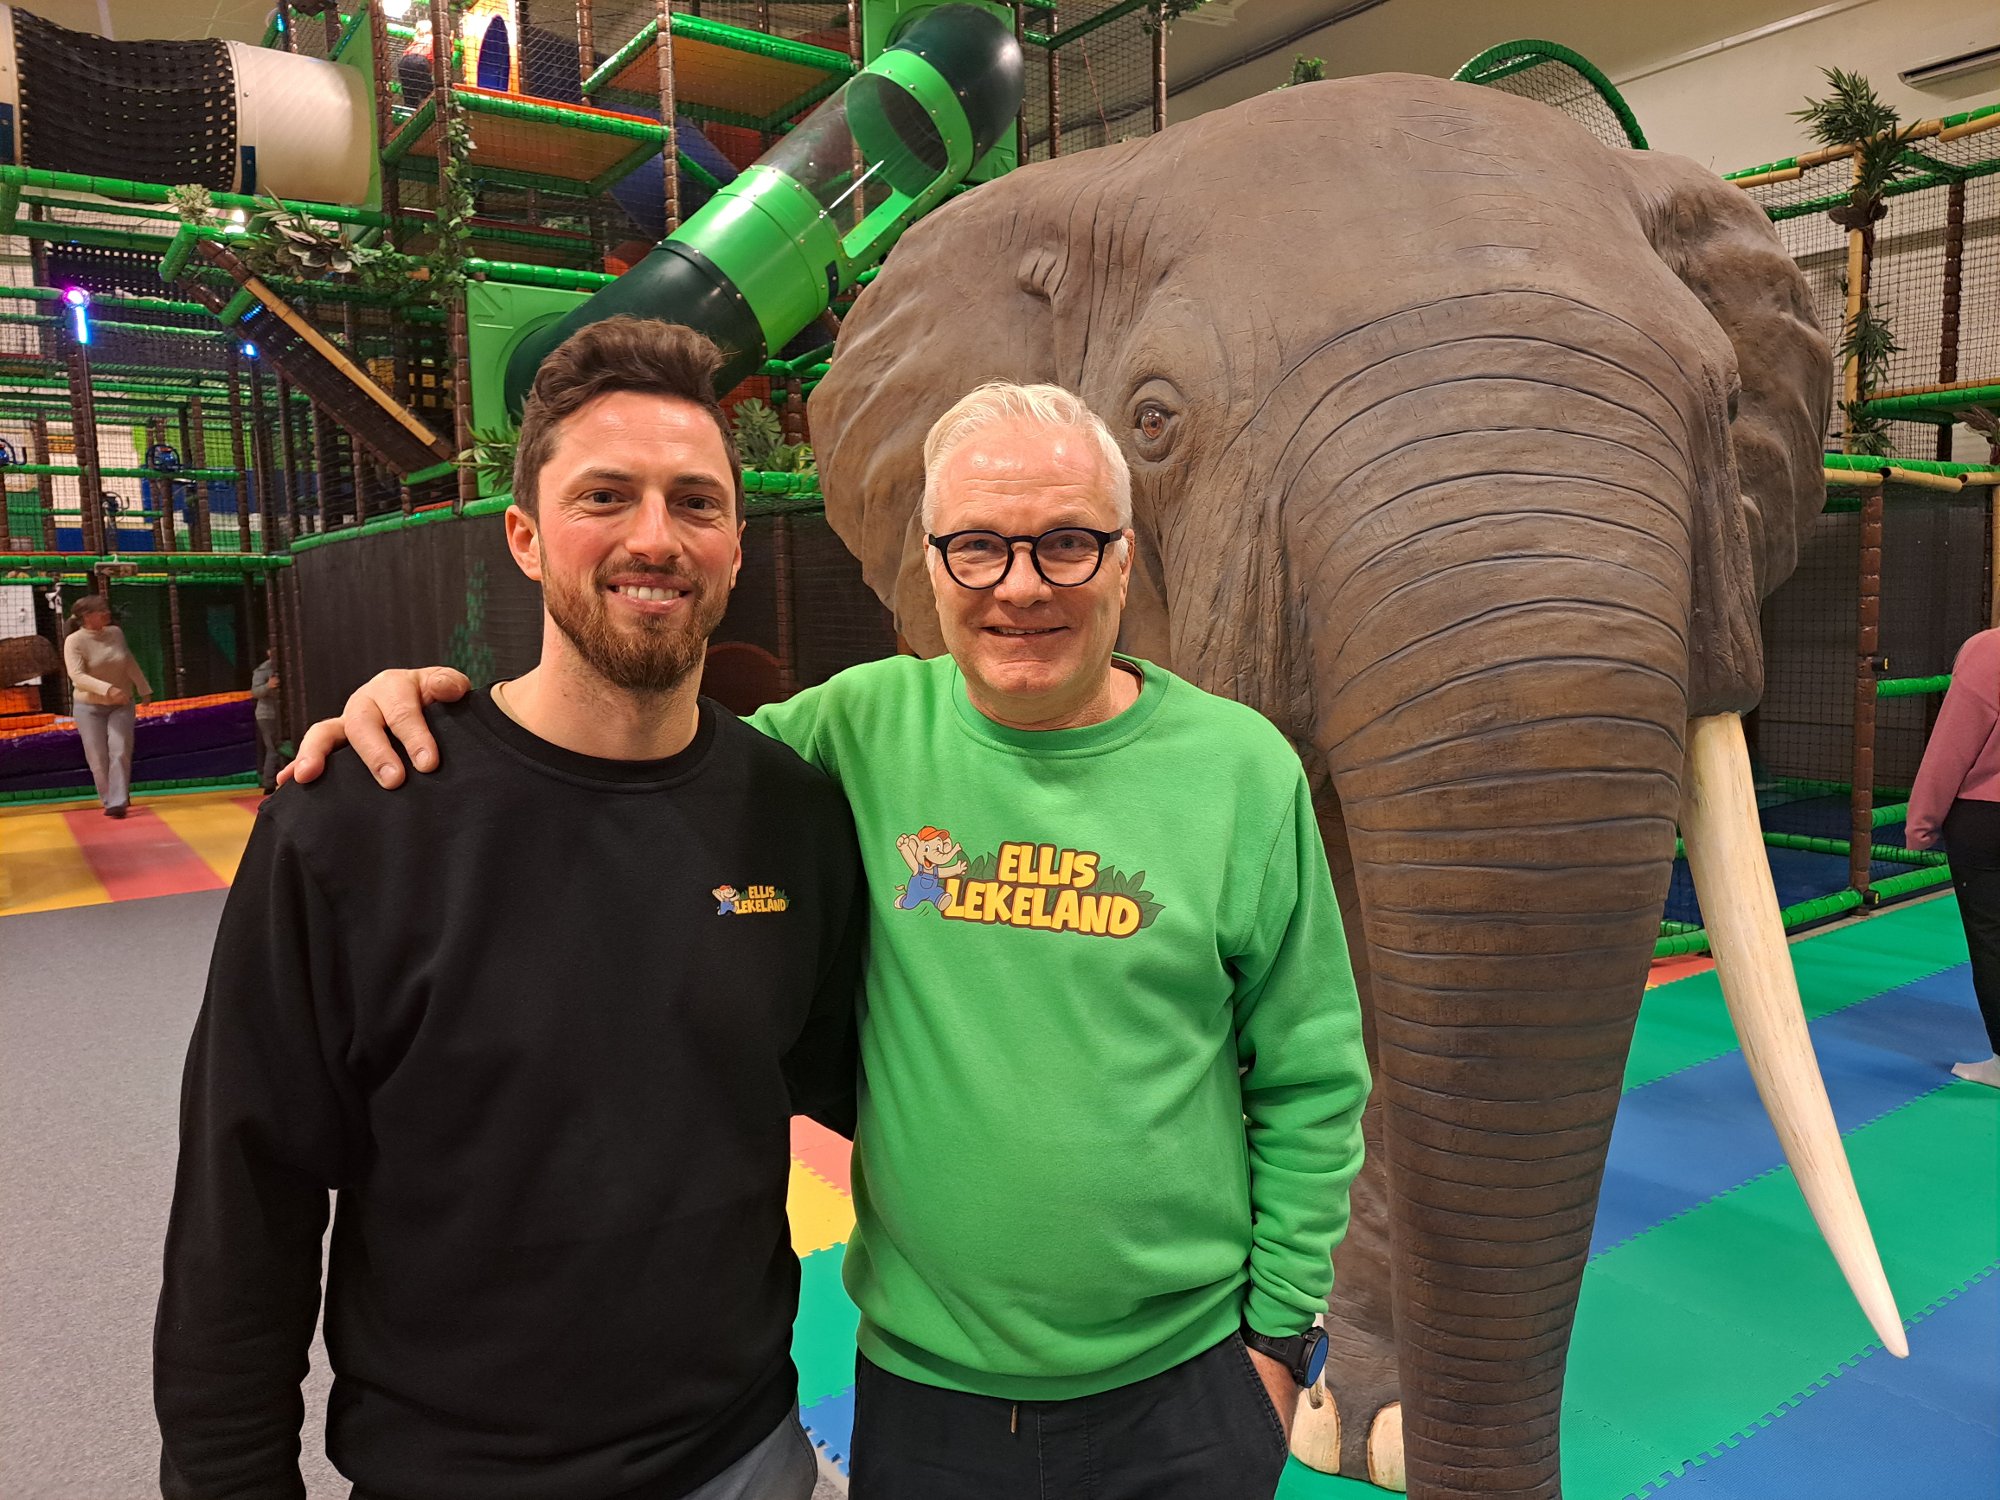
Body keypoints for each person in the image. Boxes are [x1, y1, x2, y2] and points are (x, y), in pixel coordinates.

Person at [290, 381, 1371, 1500]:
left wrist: (1276, 1343)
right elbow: (635, 764)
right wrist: (438, 719)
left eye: (1066, 543)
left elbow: (1312, 1077)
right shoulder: (854, 731)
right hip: (928, 1395)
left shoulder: (1238, 771)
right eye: (978, 548)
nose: (1021, 586)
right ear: (930, 565)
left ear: (1124, 559)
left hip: (1189, 1385)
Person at [155, 318, 862, 1500]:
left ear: (736, 548)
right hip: (452, 1474)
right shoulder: (358, 822)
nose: (654, 537)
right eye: (605, 496)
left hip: (744, 1456)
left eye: (694, 502)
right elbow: (243, 1205)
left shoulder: (794, 817)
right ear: (525, 537)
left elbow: (880, 1090)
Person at [1908, 627, 2000, 1089]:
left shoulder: (1989, 651)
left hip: (1987, 819)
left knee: (1993, 940)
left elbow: (1951, 745)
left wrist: (1921, 822)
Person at [63, 593, 150, 818]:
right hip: (89, 708)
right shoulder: (74, 641)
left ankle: (118, 801)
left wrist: (143, 688)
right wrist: (108, 689)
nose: (107, 612)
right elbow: (77, 676)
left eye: (106, 608)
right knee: (98, 758)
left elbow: (127, 660)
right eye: (101, 610)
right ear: (87, 616)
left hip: (121, 703)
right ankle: (109, 798)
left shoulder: (115, 633)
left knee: (119, 749)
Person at [250, 648, 282, 794]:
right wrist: (268, 686)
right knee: (273, 748)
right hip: (267, 714)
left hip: (280, 714)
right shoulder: (262, 670)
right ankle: (269, 783)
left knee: (279, 747)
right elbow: (255, 692)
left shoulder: (286, 667)